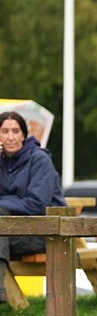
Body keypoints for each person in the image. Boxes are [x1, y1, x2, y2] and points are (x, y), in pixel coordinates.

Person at [0, 111, 66, 304]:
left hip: (44, 232)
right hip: (8, 233)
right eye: (4, 131)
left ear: (23, 134)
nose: (10, 137)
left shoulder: (39, 160)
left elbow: (36, 204)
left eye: (15, 131)